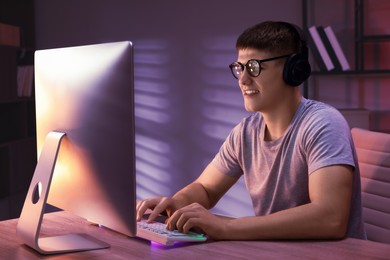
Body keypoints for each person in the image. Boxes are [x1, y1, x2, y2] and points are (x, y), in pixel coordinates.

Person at [136, 21, 367, 240]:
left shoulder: (323, 124)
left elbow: (330, 218)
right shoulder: (245, 132)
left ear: (293, 69)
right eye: (240, 68)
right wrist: (175, 205)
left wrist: (226, 227)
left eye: (255, 67)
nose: (243, 80)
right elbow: (205, 189)